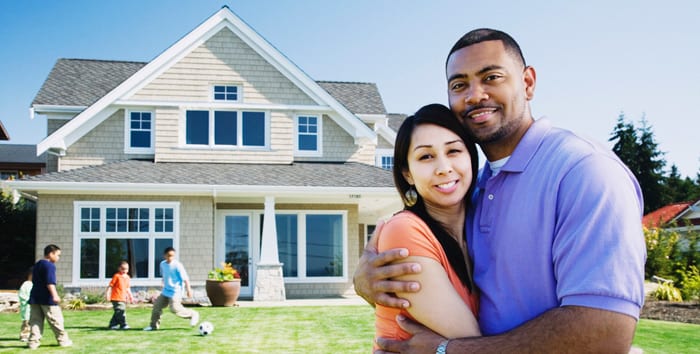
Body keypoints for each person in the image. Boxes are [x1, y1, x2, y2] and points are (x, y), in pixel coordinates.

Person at [354, 28, 646, 353]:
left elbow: (605, 334)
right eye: (459, 85)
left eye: (491, 77)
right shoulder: (476, 190)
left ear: (528, 82)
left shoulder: (584, 171)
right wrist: (366, 281)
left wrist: (448, 350)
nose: (475, 95)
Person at [374, 104, 481, 349]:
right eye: (426, 156)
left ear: (471, 157)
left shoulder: (480, 228)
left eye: (453, 151)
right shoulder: (403, 232)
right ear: (408, 174)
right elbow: (472, 345)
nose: (444, 168)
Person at [27, 244, 73, 349]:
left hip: (35, 297)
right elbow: (50, 282)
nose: (58, 258)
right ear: (51, 254)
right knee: (56, 320)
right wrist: (55, 295)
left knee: (35, 321)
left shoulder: (37, 264)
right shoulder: (49, 266)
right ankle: (63, 341)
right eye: (57, 255)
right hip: (47, 299)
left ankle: (33, 343)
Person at [144, 247, 199, 331]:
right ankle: (153, 326)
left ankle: (193, 314)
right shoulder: (162, 264)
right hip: (166, 290)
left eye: (172, 256)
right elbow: (165, 275)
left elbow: (185, 278)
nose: (170, 258)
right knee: (156, 307)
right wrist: (163, 283)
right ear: (164, 256)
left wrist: (189, 290)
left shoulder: (177, 265)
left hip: (176, 291)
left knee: (174, 309)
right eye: (169, 256)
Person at [105, 260, 134, 330]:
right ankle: (123, 324)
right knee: (120, 311)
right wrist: (107, 294)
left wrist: (130, 296)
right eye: (123, 269)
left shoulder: (127, 277)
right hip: (116, 297)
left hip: (123, 298)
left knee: (118, 311)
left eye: (126, 269)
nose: (124, 270)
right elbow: (110, 286)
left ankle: (112, 324)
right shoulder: (117, 276)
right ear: (119, 268)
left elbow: (127, 288)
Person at [18, 267, 33, 342]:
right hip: (27, 307)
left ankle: (31, 335)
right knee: (26, 323)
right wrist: (28, 300)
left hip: (33, 307)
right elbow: (22, 295)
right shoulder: (26, 284)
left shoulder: (35, 284)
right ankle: (24, 335)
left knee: (32, 322)